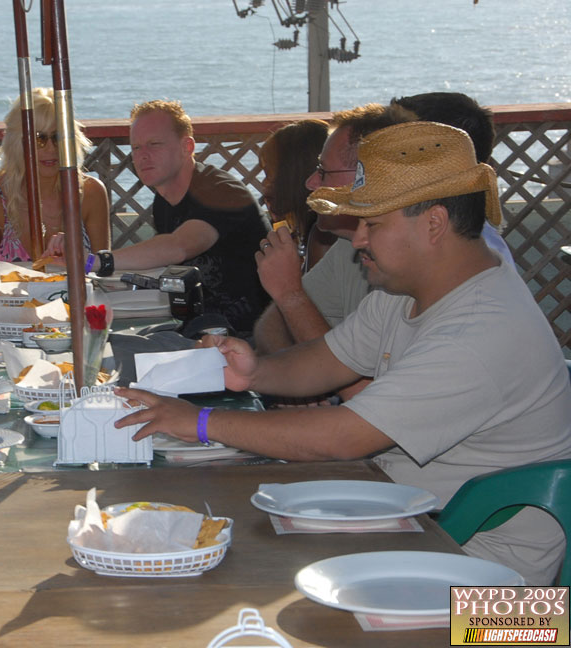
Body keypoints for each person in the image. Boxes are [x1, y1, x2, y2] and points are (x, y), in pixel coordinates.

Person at [116, 122, 571, 585]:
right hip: (416, 529)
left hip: (498, 593)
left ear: (434, 223)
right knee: (230, 540)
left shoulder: (481, 332)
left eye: (371, 224)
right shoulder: (411, 290)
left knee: (250, 577)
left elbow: (340, 438)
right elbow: (328, 359)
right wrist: (253, 374)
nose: (356, 239)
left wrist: (198, 422)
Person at [253, 95, 514, 366]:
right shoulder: (352, 242)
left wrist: (290, 295)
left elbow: (362, 390)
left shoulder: (452, 265)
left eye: (323, 170)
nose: (310, 183)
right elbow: (280, 333)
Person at [45, 99, 270, 337]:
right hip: (198, 326)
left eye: (154, 144)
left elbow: (178, 246)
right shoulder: (163, 202)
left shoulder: (220, 192)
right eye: (136, 148)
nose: (143, 156)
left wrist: (92, 262)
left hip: (248, 335)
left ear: (187, 147)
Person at [0, 87, 111, 270]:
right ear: (18, 143)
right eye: (39, 139)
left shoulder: (91, 192)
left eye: (58, 137)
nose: (51, 149)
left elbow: (103, 271)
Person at [257, 119, 336, 272]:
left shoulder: (323, 236)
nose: (264, 183)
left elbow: (310, 292)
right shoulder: (305, 227)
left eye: (268, 174)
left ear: (291, 177)